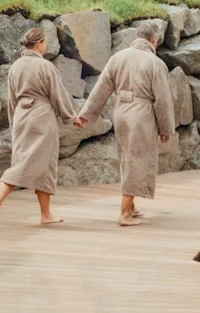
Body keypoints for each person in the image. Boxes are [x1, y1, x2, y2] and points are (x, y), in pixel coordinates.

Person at [73, 20, 175, 226]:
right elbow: (162, 100)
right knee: (139, 159)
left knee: (127, 159)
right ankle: (125, 213)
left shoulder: (117, 58)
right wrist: (166, 128)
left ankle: (131, 206)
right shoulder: (155, 63)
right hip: (141, 114)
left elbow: (101, 89)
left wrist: (85, 114)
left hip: (121, 112)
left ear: (137, 36)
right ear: (154, 39)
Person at [0, 27, 78, 227]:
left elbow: (11, 100)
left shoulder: (16, 67)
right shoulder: (45, 66)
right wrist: (71, 117)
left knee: (35, 164)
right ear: (38, 44)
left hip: (21, 116)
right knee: (30, 165)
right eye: (44, 43)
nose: (45, 46)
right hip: (41, 118)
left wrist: (14, 124)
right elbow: (58, 94)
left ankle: (46, 214)